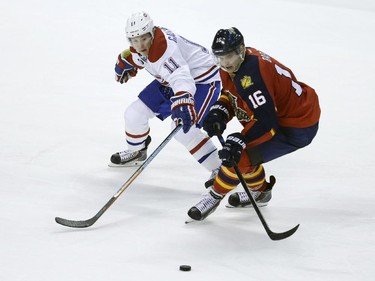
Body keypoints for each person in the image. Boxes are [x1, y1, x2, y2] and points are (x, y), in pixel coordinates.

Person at [187, 27, 321, 221]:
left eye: (229, 57)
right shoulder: (238, 65)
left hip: (297, 125)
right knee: (243, 154)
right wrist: (220, 111)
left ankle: (214, 196)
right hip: (284, 113)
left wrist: (241, 139)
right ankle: (260, 192)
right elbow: (234, 95)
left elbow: (267, 124)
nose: (225, 63)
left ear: (241, 50)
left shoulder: (252, 76)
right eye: (221, 58)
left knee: (239, 156)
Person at [110, 12, 222, 180]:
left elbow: (181, 77)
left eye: (144, 39)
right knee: (134, 114)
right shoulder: (142, 46)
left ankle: (221, 170)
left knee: (184, 131)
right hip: (170, 81)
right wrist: (125, 61)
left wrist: (183, 99)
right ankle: (137, 152)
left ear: (152, 33)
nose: (140, 45)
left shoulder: (163, 51)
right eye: (135, 40)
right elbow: (135, 56)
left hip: (203, 81)